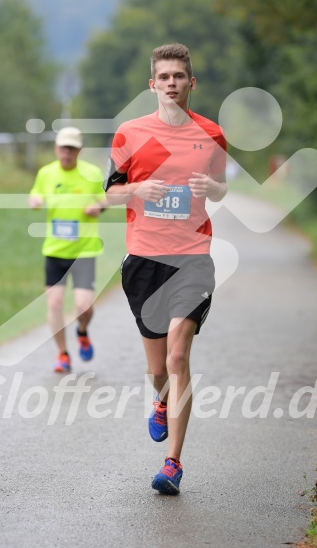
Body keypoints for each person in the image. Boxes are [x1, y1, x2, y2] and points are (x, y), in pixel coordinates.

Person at [104, 44, 227, 494]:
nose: (172, 83)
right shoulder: (130, 133)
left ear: (191, 83)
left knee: (179, 358)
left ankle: (172, 463)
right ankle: (160, 401)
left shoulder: (211, 133)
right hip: (144, 260)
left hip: (192, 258)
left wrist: (213, 185)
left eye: (179, 76)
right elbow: (110, 195)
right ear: (151, 84)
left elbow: (219, 189)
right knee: (158, 369)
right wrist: (139, 189)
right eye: (164, 77)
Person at [29, 126, 107, 372]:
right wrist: (35, 200)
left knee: (84, 306)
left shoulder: (92, 173)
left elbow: (105, 198)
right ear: (56, 148)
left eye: (72, 148)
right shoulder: (46, 173)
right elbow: (35, 195)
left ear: (79, 150)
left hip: (85, 250)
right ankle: (62, 353)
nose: (67, 152)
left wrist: (98, 208)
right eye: (63, 147)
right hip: (55, 250)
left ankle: (82, 331)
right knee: (54, 303)